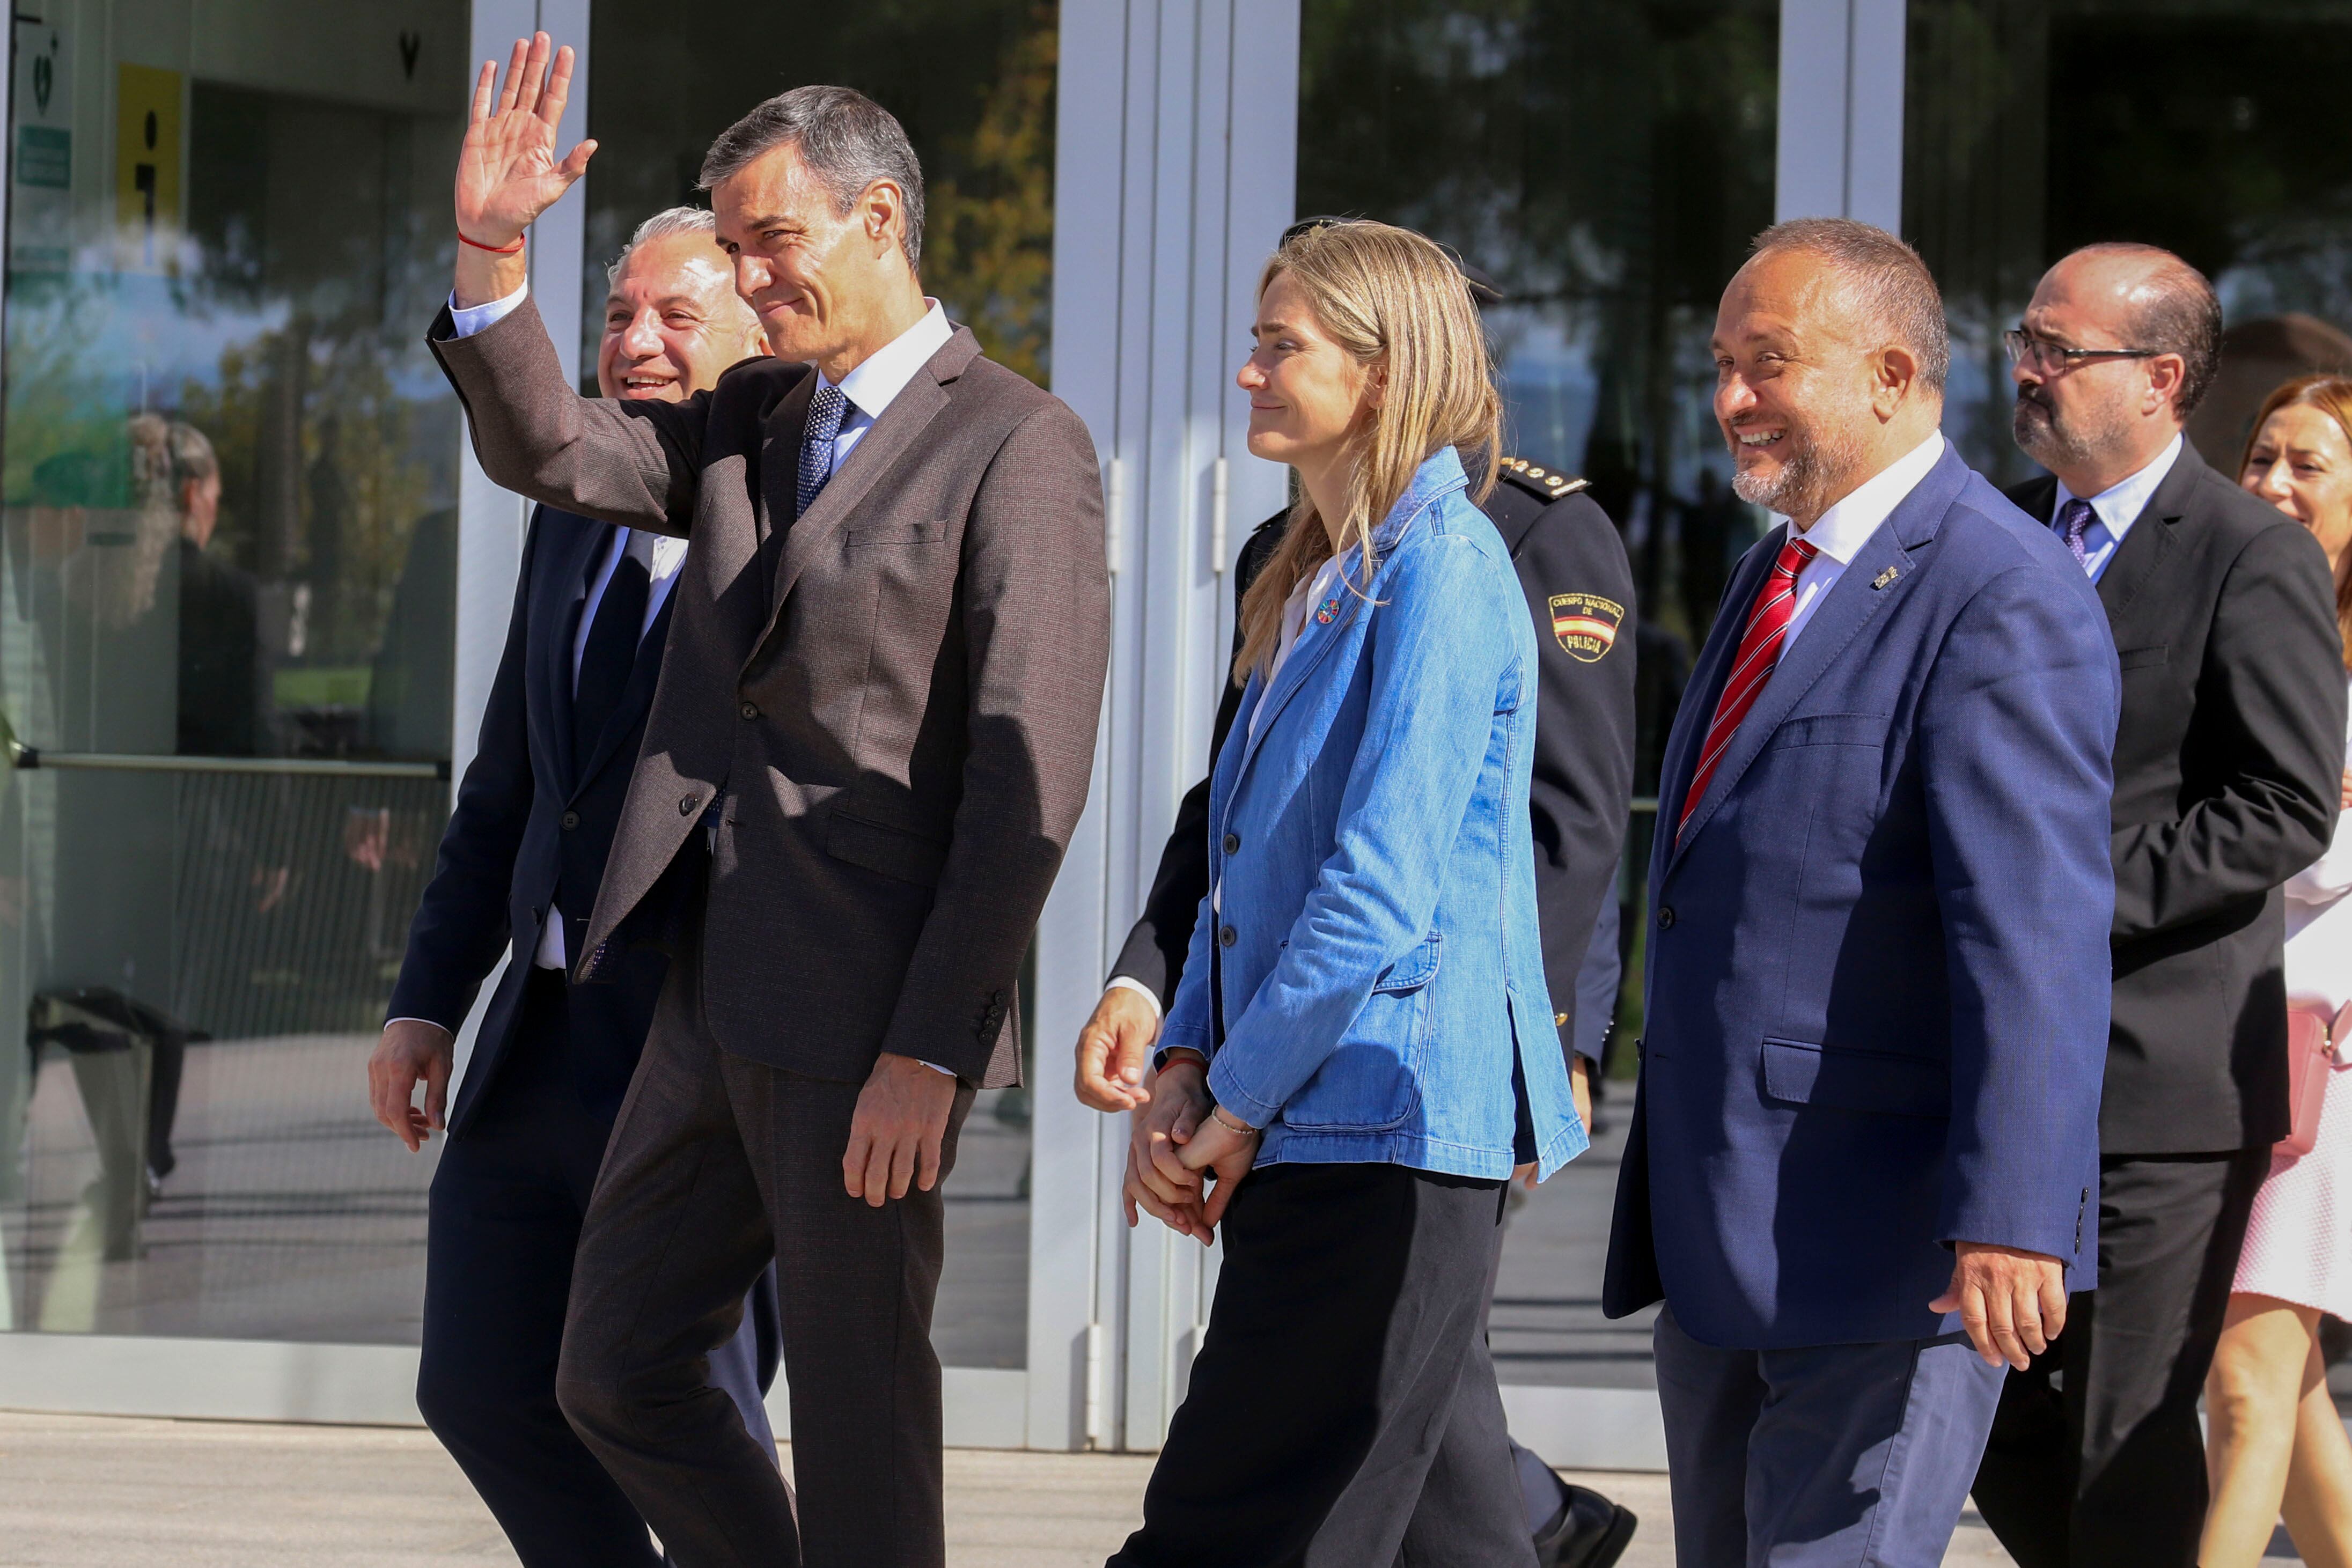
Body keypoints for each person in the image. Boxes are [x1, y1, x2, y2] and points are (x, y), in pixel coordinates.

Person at [419, 39, 1107, 1568]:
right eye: (729, 246)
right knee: (614, 1368)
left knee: (862, 1414)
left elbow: (1025, 780)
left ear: (879, 221)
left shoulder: (1019, 441)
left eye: (767, 242)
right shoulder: (751, 421)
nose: (748, 273)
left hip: (867, 1023)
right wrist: (492, 254)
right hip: (706, 1000)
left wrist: (934, 1044)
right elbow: (549, 443)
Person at [1074, 252, 1640, 1568]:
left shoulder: (1445, 568)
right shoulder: (1314, 565)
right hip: (1324, 1115)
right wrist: (1188, 1053)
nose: (1245, 370)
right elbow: (1240, 847)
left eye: (1280, 344)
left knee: (1231, 1525)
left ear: (1380, 374)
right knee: (1438, 1533)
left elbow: (1380, 885)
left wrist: (1232, 1101)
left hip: (1379, 1117)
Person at [1603, 218, 2119, 1565]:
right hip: (1726, 1225)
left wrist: (2015, 1211)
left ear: (1891, 374)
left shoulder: (2000, 593)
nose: (1728, 399)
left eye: (1767, 362)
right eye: (1721, 363)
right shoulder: (1770, 574)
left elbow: (2031, 936)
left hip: (1887, 1238)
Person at [369, 206, 780, 1568]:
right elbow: (509, 786)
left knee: (673, 1404)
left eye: (676, 316)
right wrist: (428, 999)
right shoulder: (572, 516)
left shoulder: (797, 524)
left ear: (759, 334)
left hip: (691, 1049)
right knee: (478, 1383)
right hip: (534, 1045)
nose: (636, 344)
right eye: (618, 315)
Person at [1972, 245, 2347, 1568]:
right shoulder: (1993, 530)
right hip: (1995, 1071)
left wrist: (2066, 906)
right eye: (2025, 339)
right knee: (1986, 1409)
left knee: (2118, 1434)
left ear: (2162, 378)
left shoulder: (2251, 553)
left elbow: (2282, 804)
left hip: (2161, 1081)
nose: (2027, 368)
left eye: (2058, 351)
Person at [2200, 374, 2352, 1568]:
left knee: (2243, 1377)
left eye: (2309, 462)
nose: (2273, 484)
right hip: (2226, 1036)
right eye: (2260, 458)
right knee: (2276, 1381)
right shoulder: (2229, 621)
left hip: (2328, 1057)